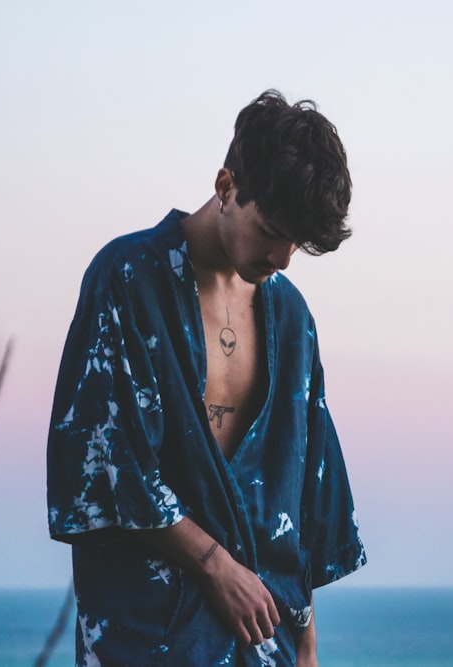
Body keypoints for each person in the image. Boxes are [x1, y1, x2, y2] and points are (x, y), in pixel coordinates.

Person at [46, 90, 366, 667]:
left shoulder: (292, 319)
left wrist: (307, 642)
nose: (284, 257)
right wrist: (218, 567)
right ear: (226, 188)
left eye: (297, 242)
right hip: (148, 635)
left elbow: (299, 492)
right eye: (271, 230)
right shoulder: (127, 280)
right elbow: (107, 463)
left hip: (267, 641)